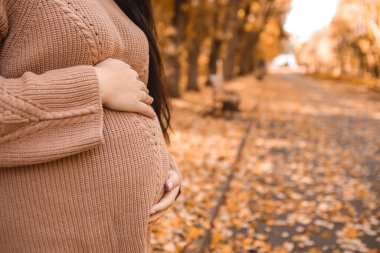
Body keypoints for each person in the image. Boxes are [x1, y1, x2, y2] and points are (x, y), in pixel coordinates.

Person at [0, 0, 182, 252]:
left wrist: (166, 168)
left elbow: (134, 96)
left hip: (123, 234)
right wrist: (94, 85)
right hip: (44, 231)